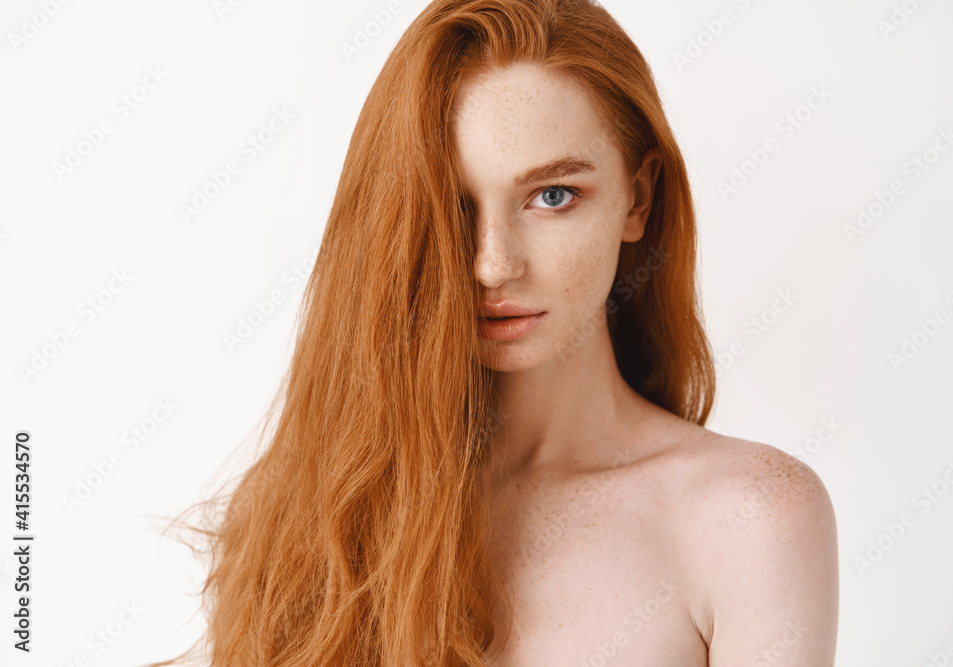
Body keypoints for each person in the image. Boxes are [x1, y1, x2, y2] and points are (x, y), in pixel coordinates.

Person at [150, 1, 838, 665]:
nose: (492, 264)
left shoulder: (751, 520)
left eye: (552, 196)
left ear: (638, 197)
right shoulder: (312, 516)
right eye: (451, 206)